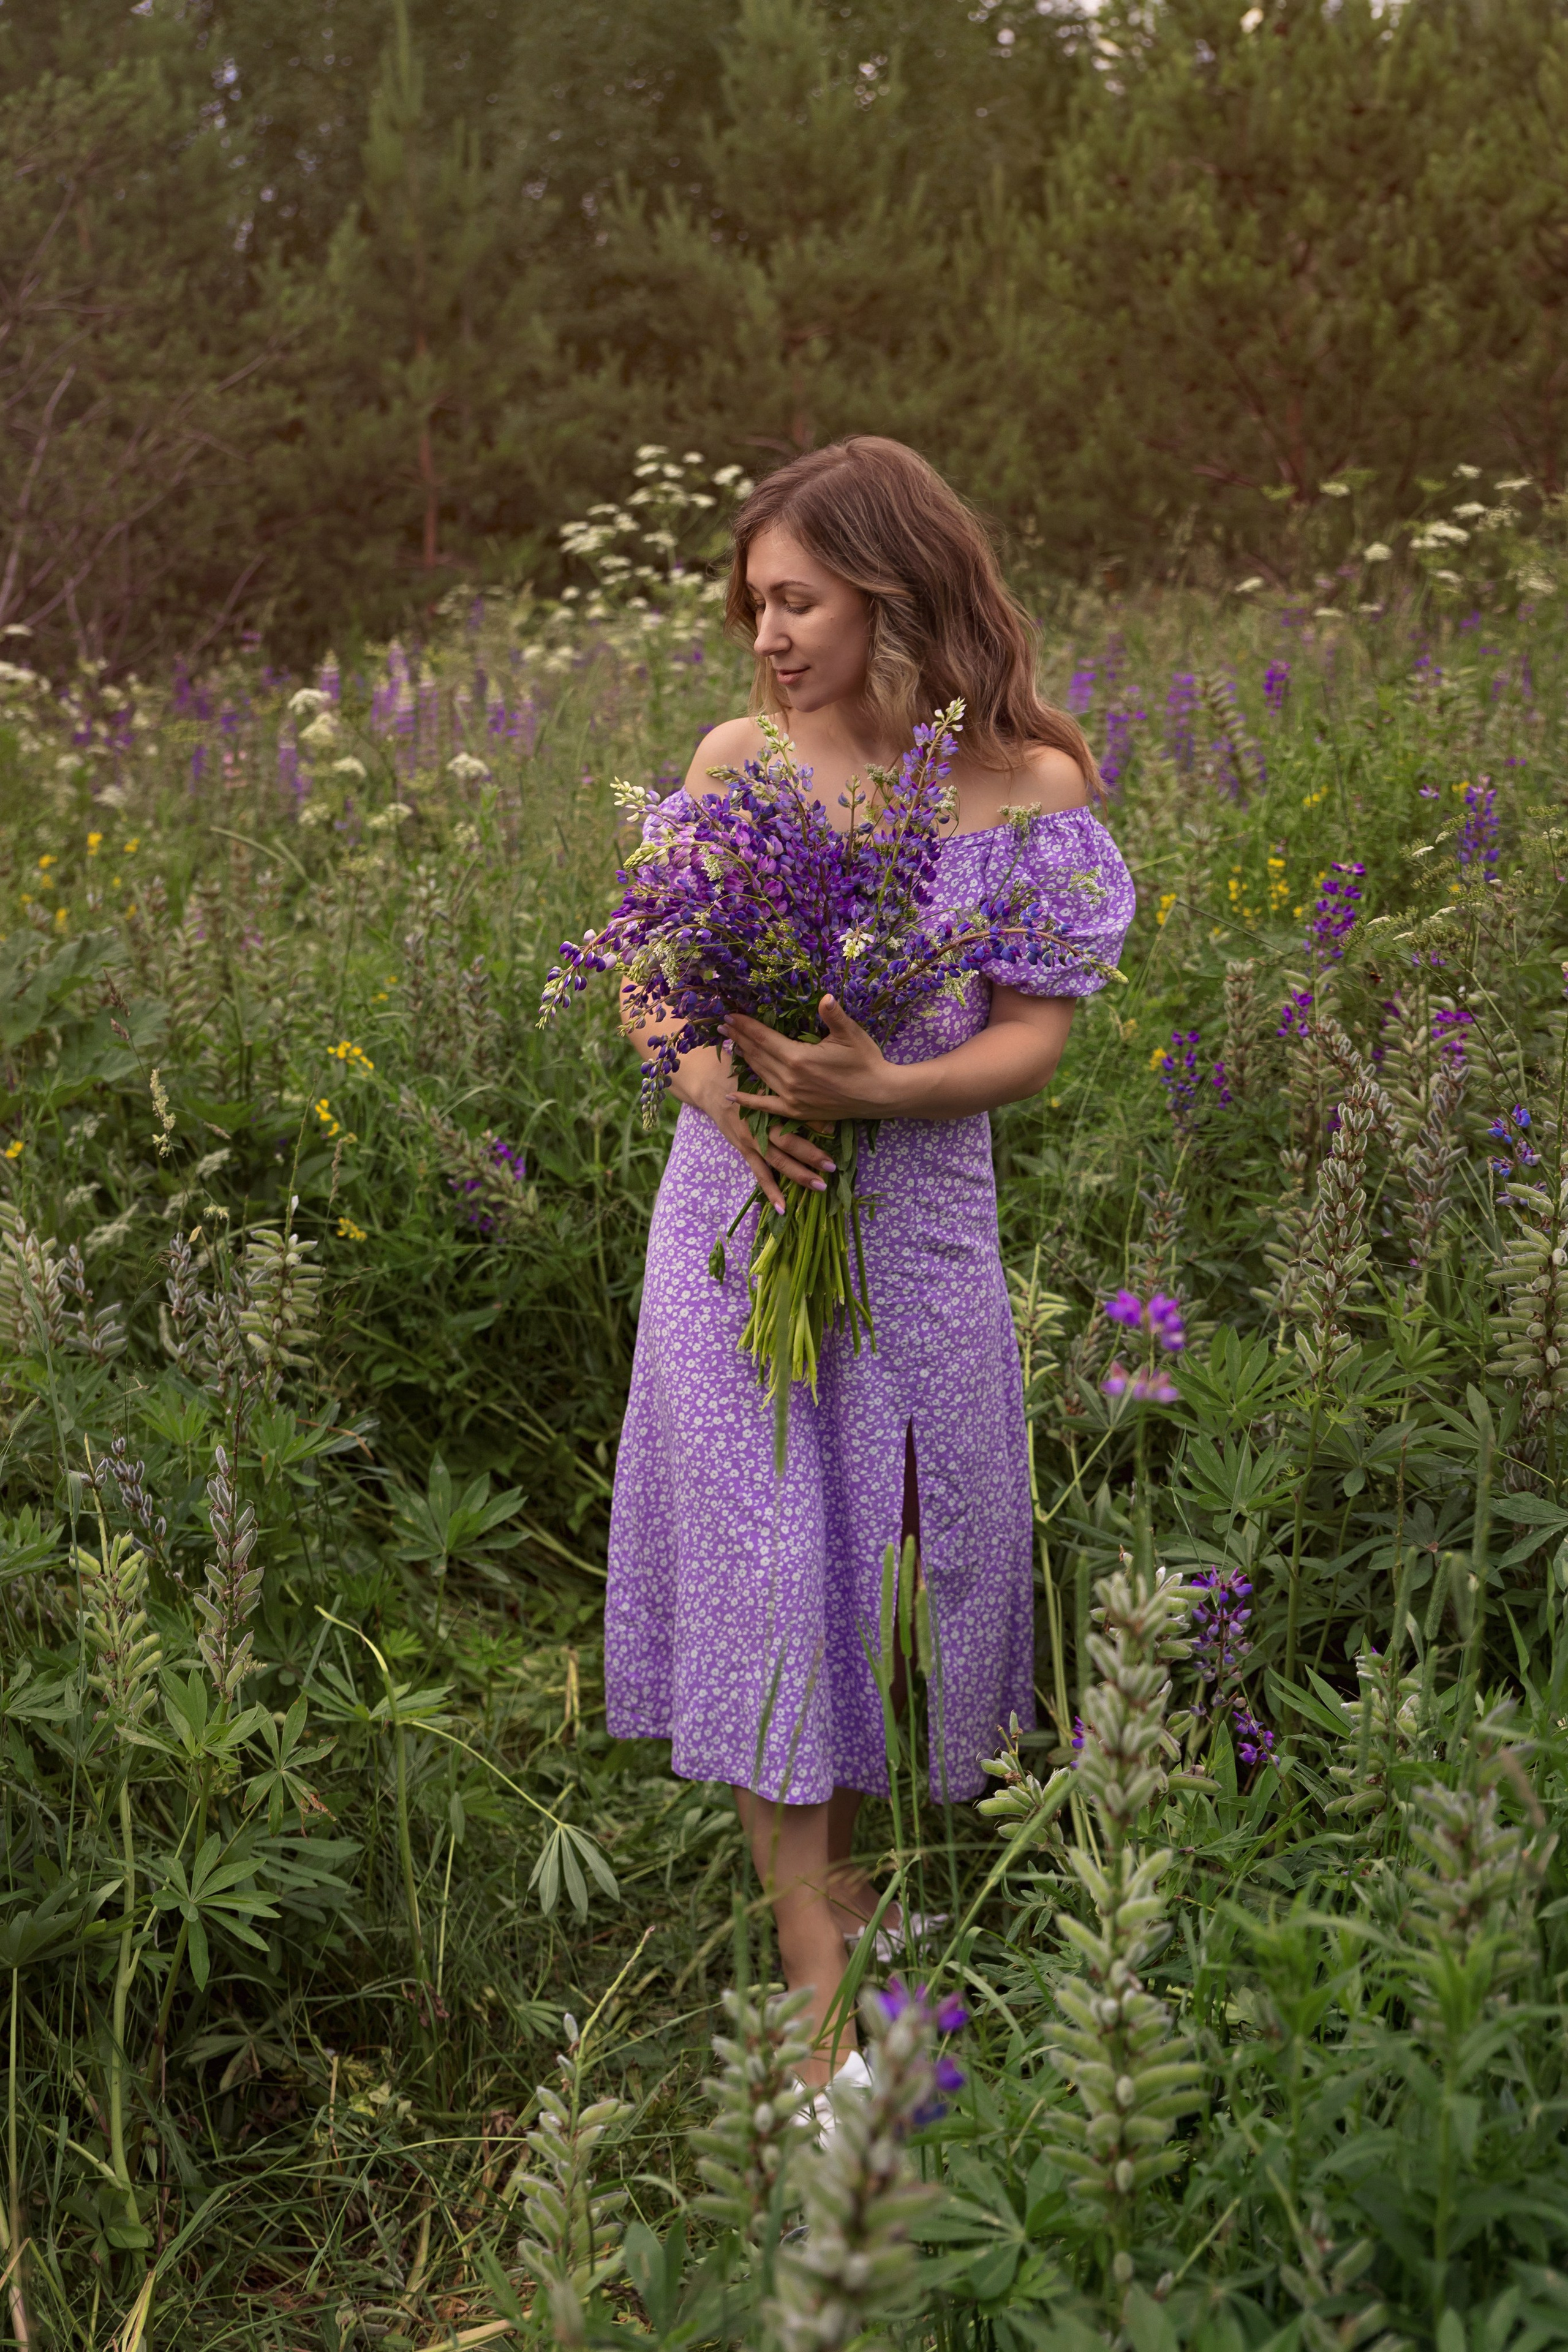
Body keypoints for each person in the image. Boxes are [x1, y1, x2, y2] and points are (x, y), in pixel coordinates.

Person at [608, 437, 1134, 2090]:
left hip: (915, 1231)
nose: (767, 633)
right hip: (735, 1227)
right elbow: (649, 985)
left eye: (801, 599)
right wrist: (733, 1101)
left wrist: (880, 1090)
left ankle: (890, 1931)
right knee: (776, 1582)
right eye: (753, 601)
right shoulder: (739, 761)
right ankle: (825, 2015)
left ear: (894, 593)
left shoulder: (1027, 784)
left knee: (910, 1580)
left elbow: (1036, 1042)